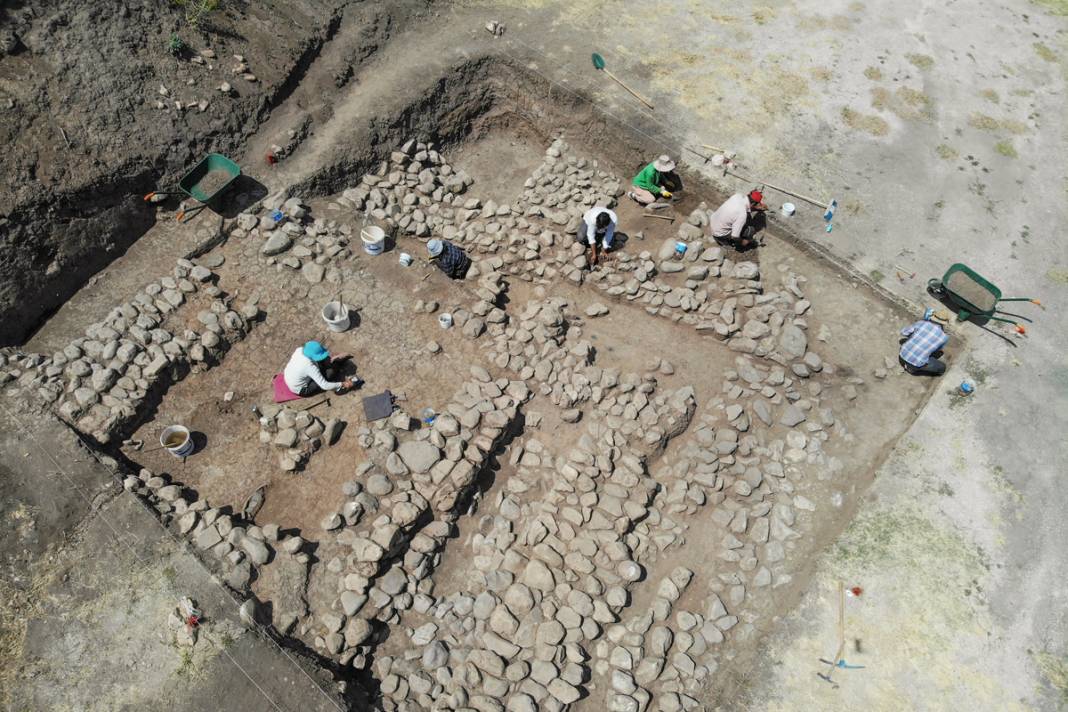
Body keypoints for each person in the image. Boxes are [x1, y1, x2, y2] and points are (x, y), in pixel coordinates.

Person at [283, 341, 358, 396]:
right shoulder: (308, 366)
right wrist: (342, 383)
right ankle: (339, 390)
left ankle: (336, 362)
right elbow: (324, 385)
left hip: (289, 376)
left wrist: (333, 358)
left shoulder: (300, 350)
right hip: (301, 388)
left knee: (327, 363)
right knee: (330, 373)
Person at [899, 308, 949, 375]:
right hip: (915, 363)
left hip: (902, 354)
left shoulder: (921, 323)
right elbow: (937, 349)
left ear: (933, 317)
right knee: (942, 367)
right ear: (945, 323)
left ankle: (909, 365)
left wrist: (913, 336)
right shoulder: (944, 337)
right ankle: (912, 369)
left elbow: (904, 332)